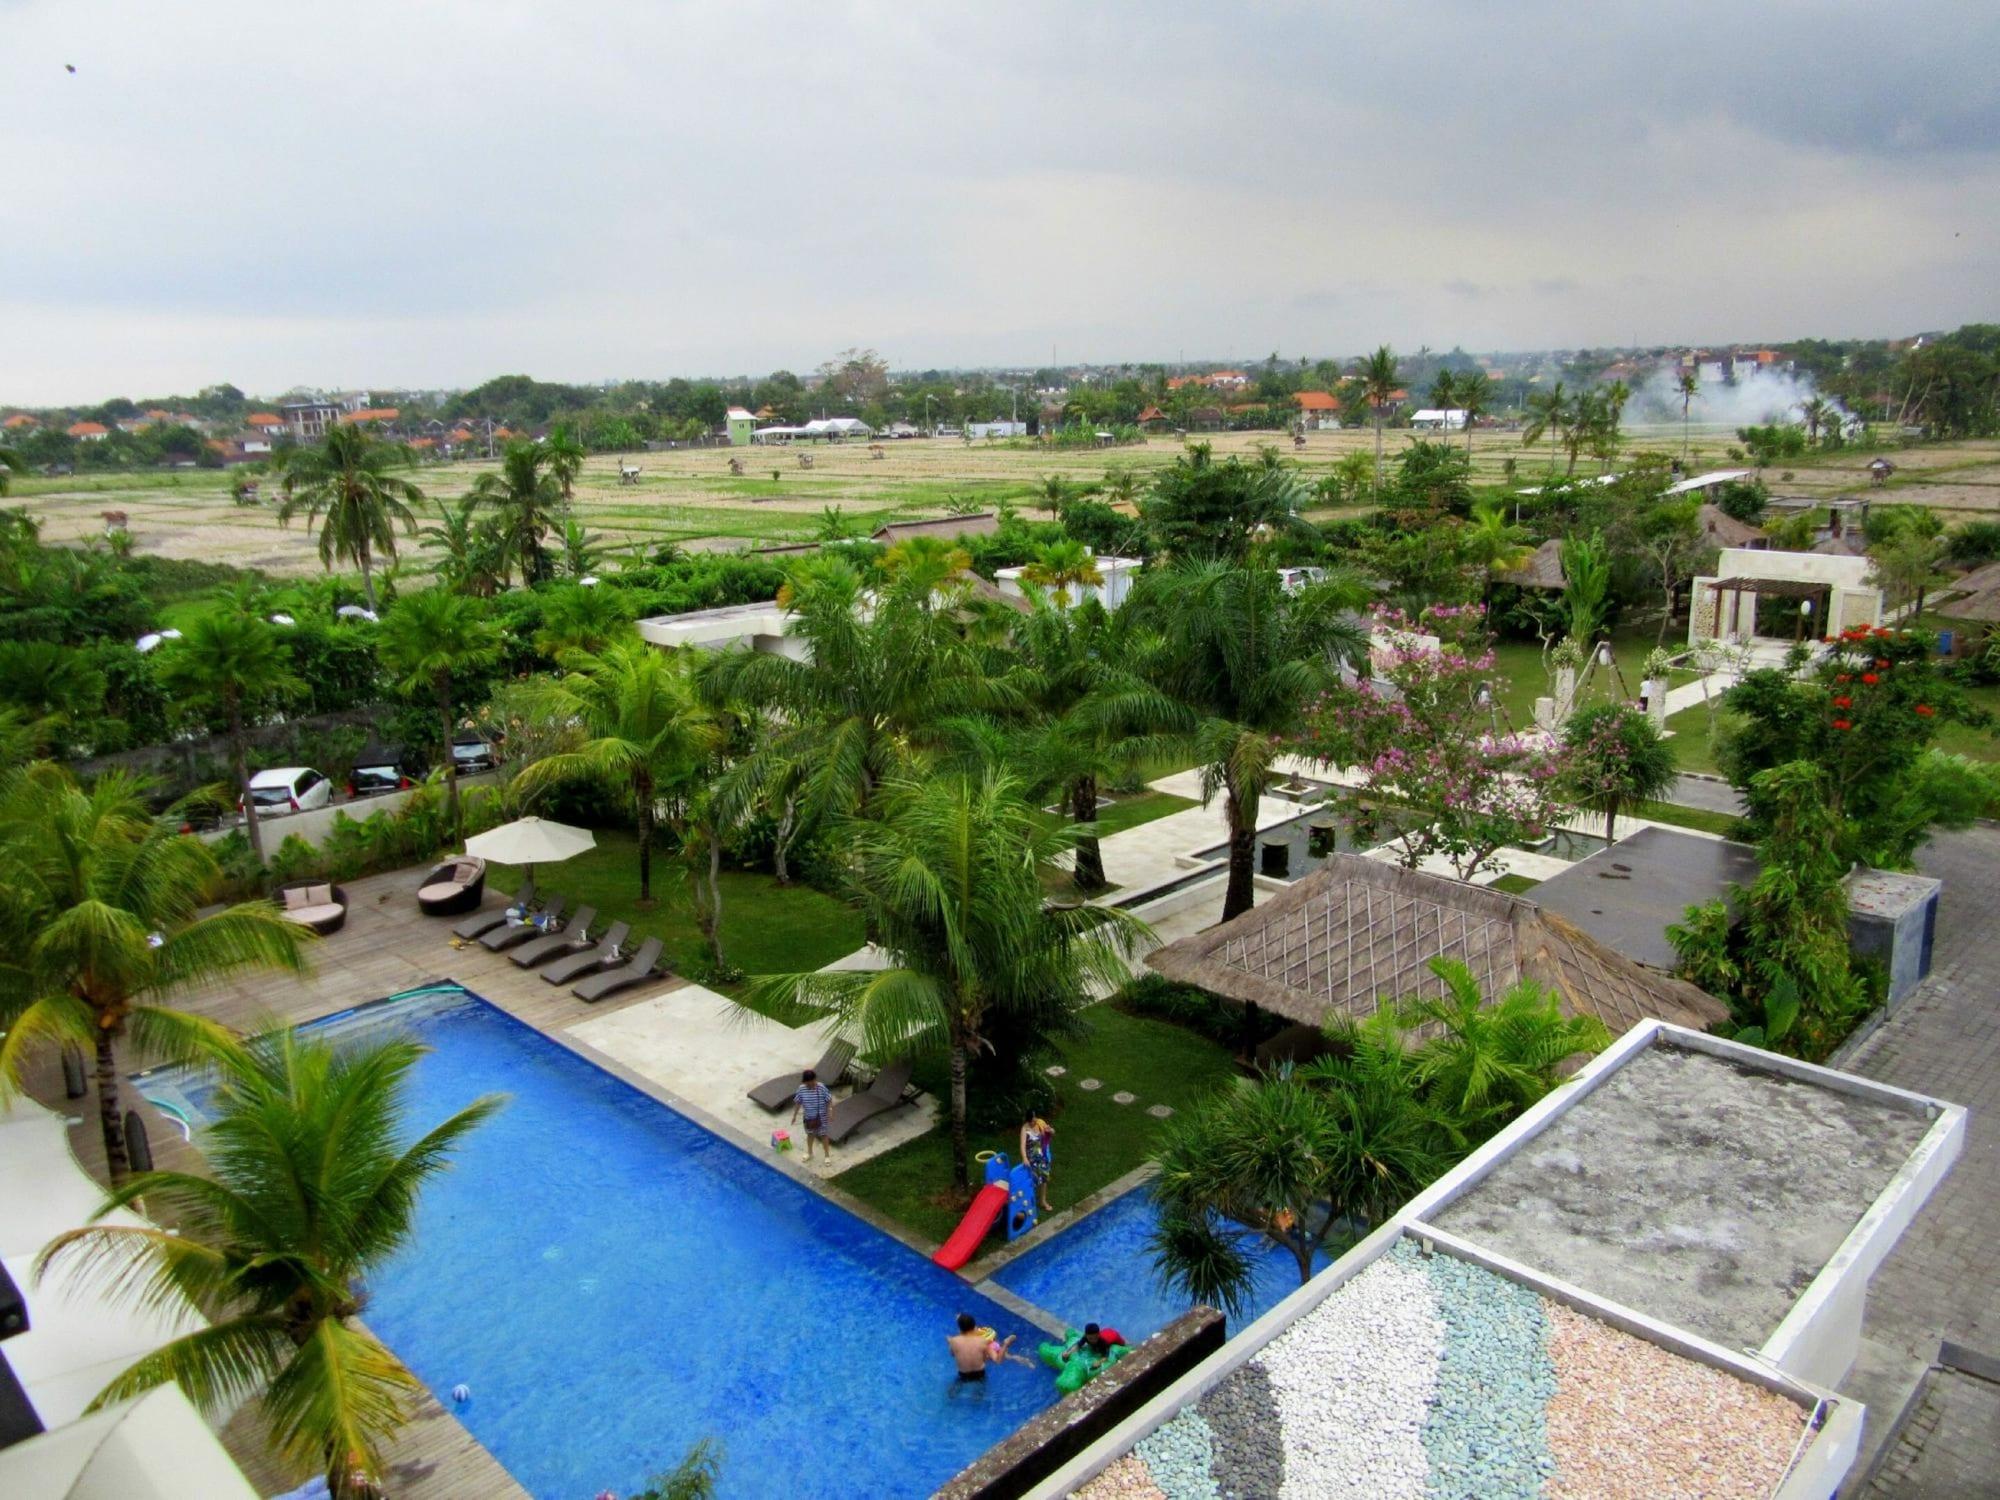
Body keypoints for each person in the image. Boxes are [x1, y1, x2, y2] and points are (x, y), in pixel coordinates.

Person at [948, 1312, 1028, 1385]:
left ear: (960, 1329)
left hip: (963, 1374)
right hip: (979, 1374)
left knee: (953, 1392)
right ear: (974, 1326)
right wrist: (1005, 1345)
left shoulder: (954, 1341)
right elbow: (998, 1360)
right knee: (979, 1395)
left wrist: (951, 1343)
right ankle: (1007, 1346)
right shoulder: (982, 1342)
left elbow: (952, 1354)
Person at [791, 1068, 834, 1163]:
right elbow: (798, 1103)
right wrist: (794, 1116)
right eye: (808, 1083)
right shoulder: (801, 1089)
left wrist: (830, 1111)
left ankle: (827, 1156)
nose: (810, 1085)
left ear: (815, 1079)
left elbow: (829, 1099)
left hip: (821, 1118)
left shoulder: (821, 1087)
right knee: (810, 1135)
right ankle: (809, 1153)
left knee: (824, 1136)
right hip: (808, 1118)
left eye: (812, 1082)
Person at [1020, 1109, 1054, 1213]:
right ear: (1028, 1120)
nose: (1034, 1121)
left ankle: (1043, 1201)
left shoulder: (1040, 1123)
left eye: (1035, 1118)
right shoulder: (1024, 1129)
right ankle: (1030, 1203)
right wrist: (1025, 1158)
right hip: (1032, 1159)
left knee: (1044, 1179)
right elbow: (1022, 1146)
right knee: (1032, 1181)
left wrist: (1050, 1131)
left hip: (1042, 1156)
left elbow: (1051, 1133)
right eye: (1032, 1120)